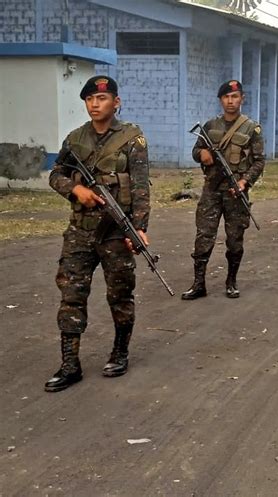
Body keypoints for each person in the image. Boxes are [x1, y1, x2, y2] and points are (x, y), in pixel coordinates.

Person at [44, 75, 150, 392]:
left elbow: (142, 187)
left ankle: (120, 352)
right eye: (89, 99)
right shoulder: (75, 139)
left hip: (116, 232)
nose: (94, 104)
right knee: (71, 295)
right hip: (81, 230)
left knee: (119, 294)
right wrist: (75, 189)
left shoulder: (132, 139)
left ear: (115, 102)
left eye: (101, 99)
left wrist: (140, 228)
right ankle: (70, 364)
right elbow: (55, 174)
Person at [182, 80, 265, 300]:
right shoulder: (210, 126)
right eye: (226, 97)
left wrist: (244, 182)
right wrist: (202, 155)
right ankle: (199, 284)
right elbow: (195, 150)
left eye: (235, 97)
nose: (231, 101)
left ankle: (231, 281)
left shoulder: (251, 128)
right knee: (203, 237)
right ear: (221, 100)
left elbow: (259, 161)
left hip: (236, 193)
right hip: (211, 190)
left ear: (242, 99)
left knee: (235, 239)